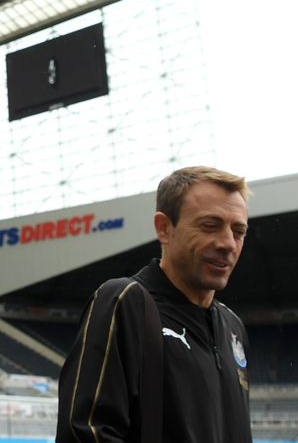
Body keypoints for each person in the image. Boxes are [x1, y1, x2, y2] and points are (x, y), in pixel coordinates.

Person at [56, 166, 252, 442]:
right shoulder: (124, 302)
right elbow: (85, 433)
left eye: (239, 231)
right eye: (210, 225)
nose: (228, 243)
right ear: (164, 228)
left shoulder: (234, 327)